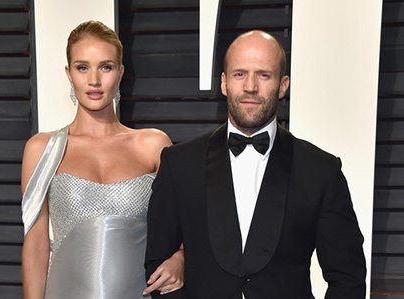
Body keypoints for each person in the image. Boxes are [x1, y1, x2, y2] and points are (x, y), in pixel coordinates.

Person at [145, 30, 366, 298]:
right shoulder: (179, 164)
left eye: (264, 75)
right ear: (224, 82)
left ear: (283, 85)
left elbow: (348, 277)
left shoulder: (321, 171)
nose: (251, 86)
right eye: (240, 74)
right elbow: (158, 265)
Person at [21, 20, 183, 298]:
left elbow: (186, 222)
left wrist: (180, 259)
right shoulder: (42, 149)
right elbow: (36, 243)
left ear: (120, 73)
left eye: (105, 67)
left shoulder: (153, 144)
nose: (94, 80)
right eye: (82, 67)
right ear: (69, 74)